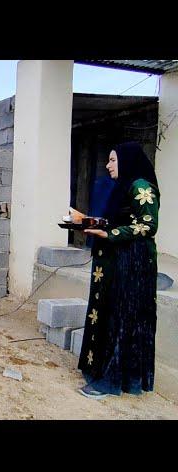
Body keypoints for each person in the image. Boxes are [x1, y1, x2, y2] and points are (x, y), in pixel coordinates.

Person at [79, 141, 160, 399]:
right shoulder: (123, 186)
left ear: (125, 161)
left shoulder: (140, 185)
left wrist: (109, 232)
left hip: (133, 263)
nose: (108, 165)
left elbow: (149, 225)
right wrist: (89, 222)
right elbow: (122, 219)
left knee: (123, 318)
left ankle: (114, 379)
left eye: (113, 160)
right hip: (119, 259)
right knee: (109, 314)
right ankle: (102, 370)